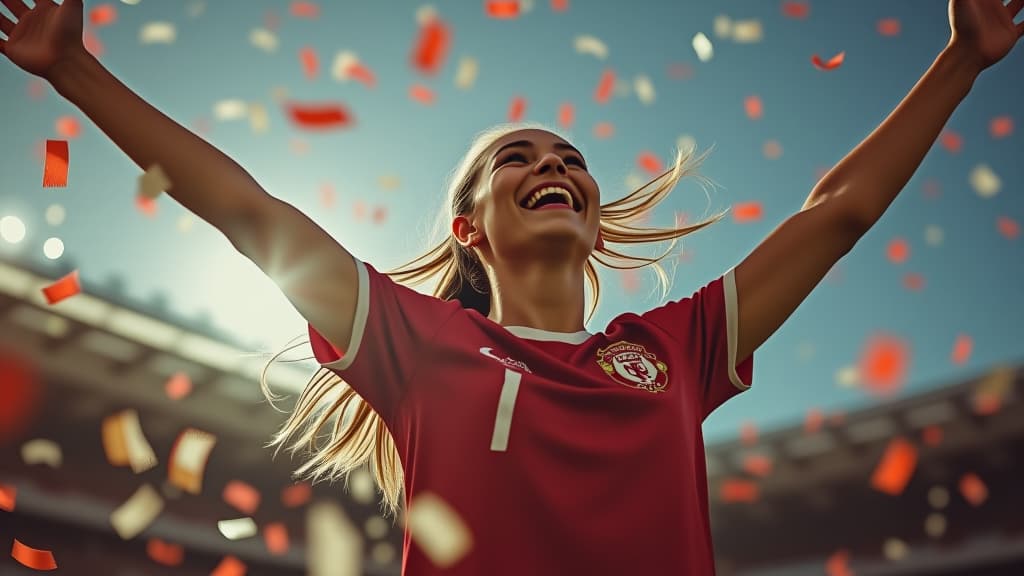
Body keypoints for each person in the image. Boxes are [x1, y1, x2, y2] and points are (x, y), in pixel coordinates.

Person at [3, 0, 1020, 573]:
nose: (556, 166)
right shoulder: (411, 341)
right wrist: (76, 72)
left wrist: (961, 62)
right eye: (519, 158)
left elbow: (832, 216)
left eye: (570, 157)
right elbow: (250, 215)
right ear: (467, 225)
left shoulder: (676, 346)